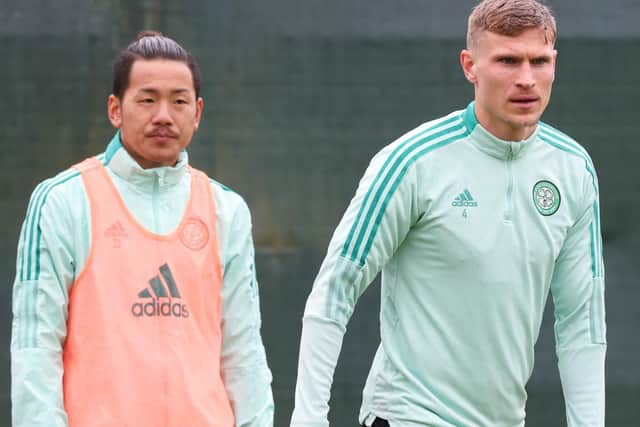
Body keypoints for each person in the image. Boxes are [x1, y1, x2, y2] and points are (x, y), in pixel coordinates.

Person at [290, 0, 606, 426]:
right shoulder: (410, 162)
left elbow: (581, 322)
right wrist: (308, 418)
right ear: (469, 66)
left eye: (540, 61)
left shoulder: (573, 169)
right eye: (508, 61)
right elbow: (333, 293)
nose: (527, 79)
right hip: (406, 416)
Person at [11, 31, 273, 427]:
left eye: (179, 101)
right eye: (147, 99)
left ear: (198, 112)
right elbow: (36, 346)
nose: (164, 115)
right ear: (115, 109)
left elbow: (244, 350)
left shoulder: (226, 210)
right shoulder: (63, 200)